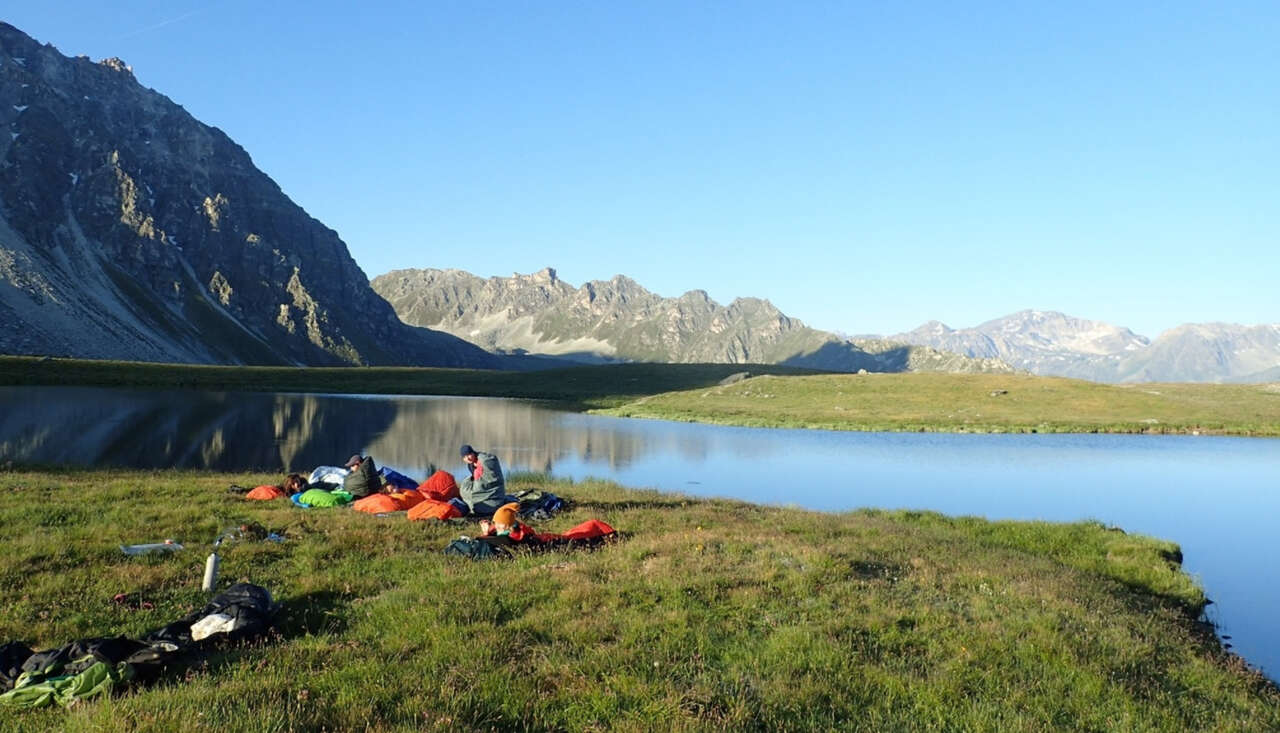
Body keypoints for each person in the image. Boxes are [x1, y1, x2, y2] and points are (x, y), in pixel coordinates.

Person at [458, 444, 506, 515]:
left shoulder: (484, 462)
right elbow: (476, 479)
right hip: (483, 491)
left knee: (468, 496)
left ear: (473, 453)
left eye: (468, 455)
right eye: (464, 457)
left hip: (494, 494)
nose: (467, 458)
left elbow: (490, 480)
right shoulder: (471, 465)